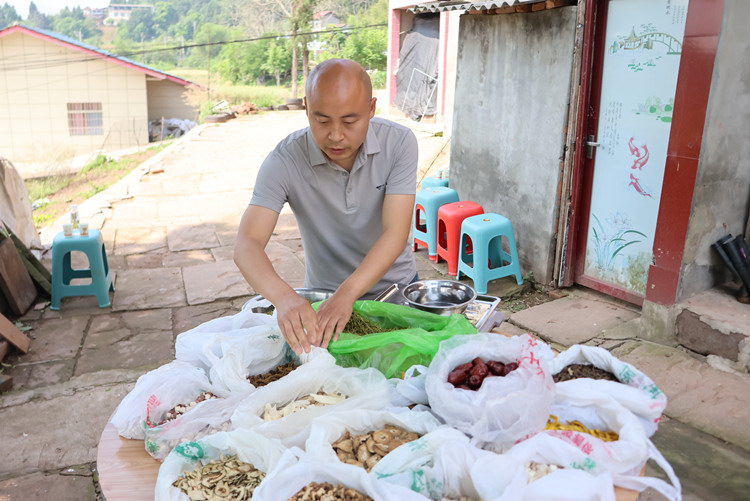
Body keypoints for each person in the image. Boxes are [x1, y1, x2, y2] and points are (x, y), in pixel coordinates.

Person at [234, 59, 418, 355]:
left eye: (349, 121)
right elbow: (247, 244)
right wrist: (285, 298)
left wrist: (348, 294)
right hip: (324, 303)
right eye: (321, 121)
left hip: (395, 294)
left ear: (371, 109)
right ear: (306, 107)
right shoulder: (284, 161)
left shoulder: (399, 143)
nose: (335, 135)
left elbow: (395, 233)